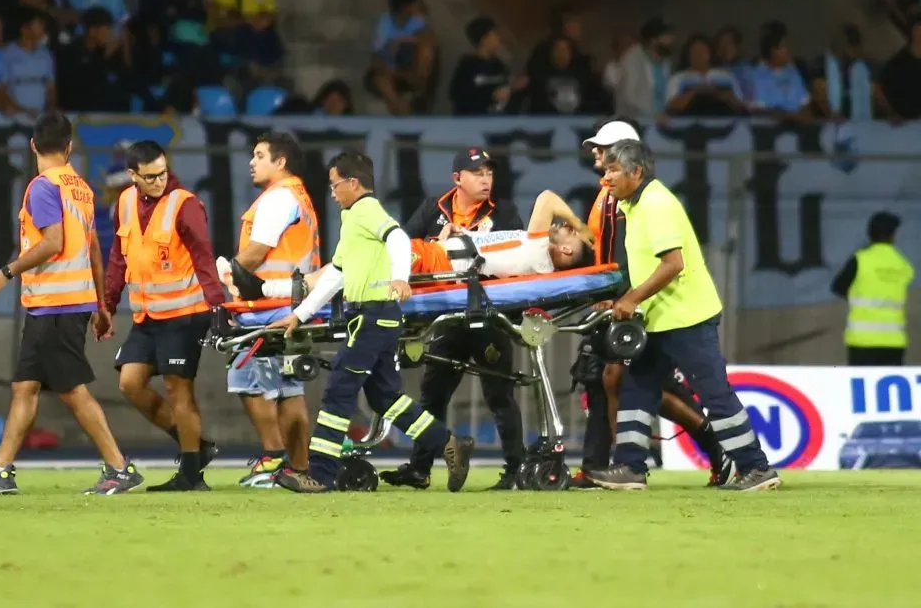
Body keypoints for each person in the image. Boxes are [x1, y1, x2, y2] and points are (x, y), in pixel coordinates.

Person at [262, 150, 475, 493]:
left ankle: (320, 473)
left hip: (372, 316)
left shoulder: (366, 210)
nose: (331, 192)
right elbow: (337, 274)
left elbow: (399, 237)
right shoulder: (353, 217)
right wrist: (298, 315)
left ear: (353, 183)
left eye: (334, 185)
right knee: (385, 397)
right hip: (374, 317)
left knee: (339, 391)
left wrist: (401, 278)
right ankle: (448, 442)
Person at [0, 112, 144, 496]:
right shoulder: (81, 188)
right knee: (25, 387)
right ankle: (0, 471)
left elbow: (53, 242)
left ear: (33, 146)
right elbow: (91, 248)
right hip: (64, 304)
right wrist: (101, 304)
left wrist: (4, 273)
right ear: (70, 147)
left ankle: (120, 468)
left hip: (55, 305)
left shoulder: (43, 187)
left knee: (72, 389)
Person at [585, 140, 779, 492]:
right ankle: (629, 467)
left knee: (714, 393)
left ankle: (757, 468)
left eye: (613, 170)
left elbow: (673, 264)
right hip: (660, 317)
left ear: (637, 172)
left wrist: (630, 299)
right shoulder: (636, 204)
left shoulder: (656, 203)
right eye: (606, 169)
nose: (606, 177)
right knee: (638, 387)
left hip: (688, 317)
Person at [570, 119, 734, 489]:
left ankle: (718, 449)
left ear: (630, 156)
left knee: (638, 382)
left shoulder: (644, 199)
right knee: (612, 379)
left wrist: (627, 296)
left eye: (605, 149)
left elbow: (649, 259)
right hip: (630, 301)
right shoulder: (611, 194)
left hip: (655, 305)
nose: (596, 154)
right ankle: (613, 465)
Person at [379, 148, 525, 490]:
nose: (486, 179)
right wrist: (436, 244)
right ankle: (420, 469)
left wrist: (471, 246)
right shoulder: (435, 207)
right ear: (457, 178)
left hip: (489, 316)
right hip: (447, 316)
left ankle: (516, 471)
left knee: (499, 395)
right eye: (477, 173)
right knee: (433, 394)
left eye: (489, 173)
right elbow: (402, 244)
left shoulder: (504, 211)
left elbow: (516, 256)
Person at [103, 140, 224, 491]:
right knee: (130, 383)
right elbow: (118, 259)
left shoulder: (184, 204)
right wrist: (108, 305)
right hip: (148, 317)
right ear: (132, 176)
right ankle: (197, 447)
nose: (159, 181)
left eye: (163, 173)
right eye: (150, 176)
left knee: (178, 389)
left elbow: (204, 258)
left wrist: (218, 307)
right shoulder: (124, 202)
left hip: (185, 314)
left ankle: (191, 475)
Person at [233, 185, 597, 302]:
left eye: (570, 234)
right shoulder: (534, 254)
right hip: (441, 254)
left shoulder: (538, 253)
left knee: (359, 260)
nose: (565, 228)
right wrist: (457, 237)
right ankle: (271, 288)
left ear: (565, 250)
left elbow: (548, 197)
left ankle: (268, 289)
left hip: (437, 262)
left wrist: (584, 227)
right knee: (359, 259)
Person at [227, 132, 317, 487]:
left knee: (245, 380)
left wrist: (225, 274)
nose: (252, 161)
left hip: (267, 307)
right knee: (290, 389)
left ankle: (272, 459)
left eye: (260, 155)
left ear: (280, 162)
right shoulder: (298, 195)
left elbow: (256, 252)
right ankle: (298, 468)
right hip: (292, 304)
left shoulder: (278, 197)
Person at [830, 212, 914, 366]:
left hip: (862, 341)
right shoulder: (903, 265)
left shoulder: (860, 259)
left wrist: (855, 296)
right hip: (894, 341)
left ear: (869, 233)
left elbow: (837, 287)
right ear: (893, 235)